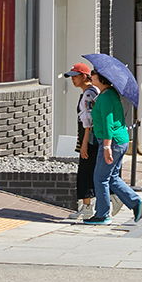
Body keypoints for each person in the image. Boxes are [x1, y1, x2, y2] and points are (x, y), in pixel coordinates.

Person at [84, 68, 142, 225]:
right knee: (111, 177)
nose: (91, 74)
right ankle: (135, 202)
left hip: (112, 142)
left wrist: (106, 147)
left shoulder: (105, 98)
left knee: (100, 178)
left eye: (94, 73)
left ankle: (102, 215)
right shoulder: (108, 94)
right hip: (120, 140)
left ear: (101, 78)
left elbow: (108, 123)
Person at [64, 62, 98, 220]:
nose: (73, 80)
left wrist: (84, 143)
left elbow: (88, 122)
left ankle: (87, 206)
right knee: (90, 171)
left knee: (85, 172)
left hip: (90, 140)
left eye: (75, 76)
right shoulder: (91, 92)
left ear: (85, 76)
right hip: (91, 139)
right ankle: (88, 205)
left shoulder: (89, 94)